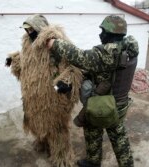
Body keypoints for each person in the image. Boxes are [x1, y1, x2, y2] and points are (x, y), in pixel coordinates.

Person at [47, 15, 139, 167]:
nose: (100, 35)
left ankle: (93, 162)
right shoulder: (128, 49)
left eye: (103, 31)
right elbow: (106, 72)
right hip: (120, 102)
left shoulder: (109, 52)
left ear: (112, 33)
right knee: (119, 135)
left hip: (105, 104)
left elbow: (80, 57)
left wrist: (55, 44)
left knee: (92, 128)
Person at [5, 14, 83, 167]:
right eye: (26, 29)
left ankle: (62, 157)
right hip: (33, 96)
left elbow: (73, 65)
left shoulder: (56, 42)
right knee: (37, 122)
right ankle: (43, 142)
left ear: (39, 28)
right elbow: (28, 65)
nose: (27, 32)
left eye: (30, 29)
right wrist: (14, 60)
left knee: (56, 128)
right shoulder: (28, 43)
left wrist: (67, 81)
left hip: (53, 96)